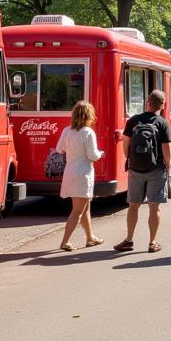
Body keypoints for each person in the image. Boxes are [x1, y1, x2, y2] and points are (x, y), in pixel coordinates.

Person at [114, 89, 171, 253]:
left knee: (133, 206)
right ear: (163, 105)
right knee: (154, 207)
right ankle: (152, 242)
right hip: (156, 169)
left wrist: (130, 159)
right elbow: (166, 149)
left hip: (136, 169)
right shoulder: (162, 123)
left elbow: (126, 144)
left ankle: (129, 240)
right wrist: (168, 166)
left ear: (147, 102)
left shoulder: (133, 121)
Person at [57, 100, 105, 251]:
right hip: (83, 174)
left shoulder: (66, 130)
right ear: (89, 116)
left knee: (85, 208)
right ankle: (65, 241)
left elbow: (59, 149)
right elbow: (92, 155)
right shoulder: (88, 132)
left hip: (70, 171)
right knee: (77, 211)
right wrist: (101, 154)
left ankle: (90, 237)